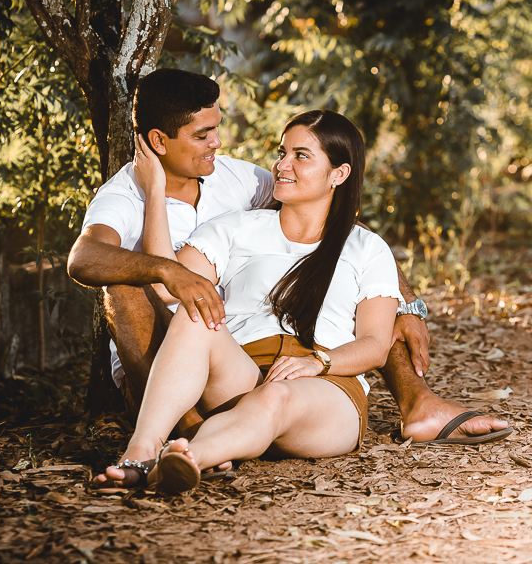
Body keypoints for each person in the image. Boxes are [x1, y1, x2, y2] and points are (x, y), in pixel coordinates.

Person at [66, 69, 512, 449]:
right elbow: (85, 258)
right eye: (203, 135)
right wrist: (166, 267)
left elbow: (328, 221)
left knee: (361, 291)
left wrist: (406, 301)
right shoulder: (123, 196)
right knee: (126, 283)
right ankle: (169, 432)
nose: (217, 143)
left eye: (216, 129)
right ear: (159, 141)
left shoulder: (238, 179)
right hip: (183, 340)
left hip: (234, 337)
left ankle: (417, 402)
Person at [96, 110, 406, 491]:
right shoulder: (238, 227)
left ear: (339, 174)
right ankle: (142, 451)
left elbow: (376, 346)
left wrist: (316, 362)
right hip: (242, 377)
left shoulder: (367, 249)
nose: (281, 165)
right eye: (282, 152)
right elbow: (166, 286)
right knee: (197, 312)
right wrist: (155, 190)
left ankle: (189, 458)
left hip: (327, 391)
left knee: (276, 396)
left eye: (301, 156)